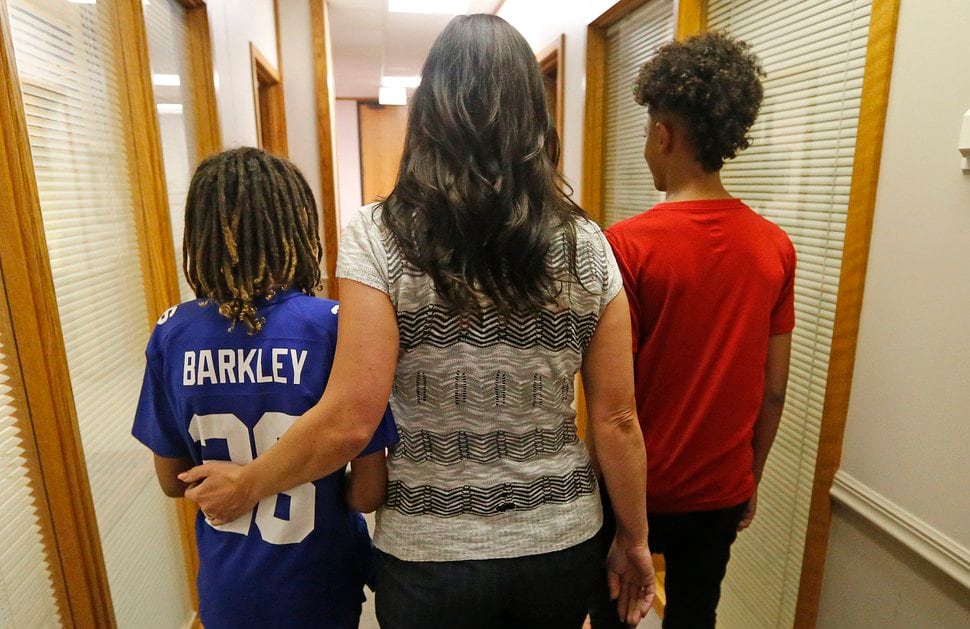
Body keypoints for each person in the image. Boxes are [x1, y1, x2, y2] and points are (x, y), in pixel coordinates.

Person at [177, 14, 655, 629]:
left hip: (430, 553)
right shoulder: (587, 243)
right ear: (534, 114)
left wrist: (247, 485)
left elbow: (351, 419)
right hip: (558, 542)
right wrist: (635, 539)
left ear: (429, 111)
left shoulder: (379, 234)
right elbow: (618, 419)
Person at [132, 147, 398, 629]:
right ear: (297, 229)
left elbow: (173, 481)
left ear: (200, 235)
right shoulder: (334, 328)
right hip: (320, 579)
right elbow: (367, 492)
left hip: (229, 585)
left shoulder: (172, 333)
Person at [590, 32, 795, 629]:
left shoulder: (625, 247)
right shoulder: (774, 248)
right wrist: (750, 478)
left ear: (664, 133)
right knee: (696, 615)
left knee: (615, 613)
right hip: (719, 491)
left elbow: (614, 405)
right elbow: (773, 389)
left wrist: (620, 516)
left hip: (636, 490)